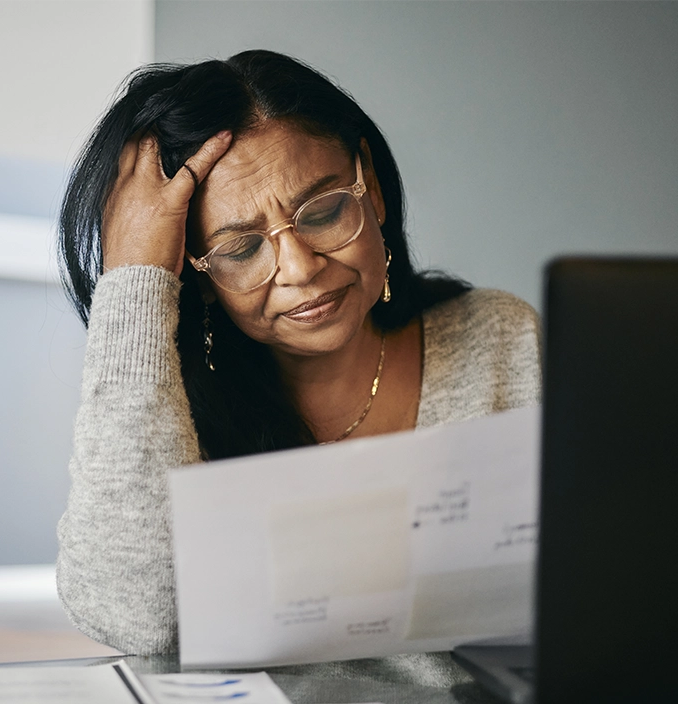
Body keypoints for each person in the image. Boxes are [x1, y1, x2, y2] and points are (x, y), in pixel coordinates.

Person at [55, 50, 541, 684]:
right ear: (193, 273)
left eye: (323, 213)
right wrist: (133, 281)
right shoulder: (165, 410)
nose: (302, 267)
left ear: (368, 184)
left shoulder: (500, 341)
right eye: (241, 248)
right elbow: (134, 617)